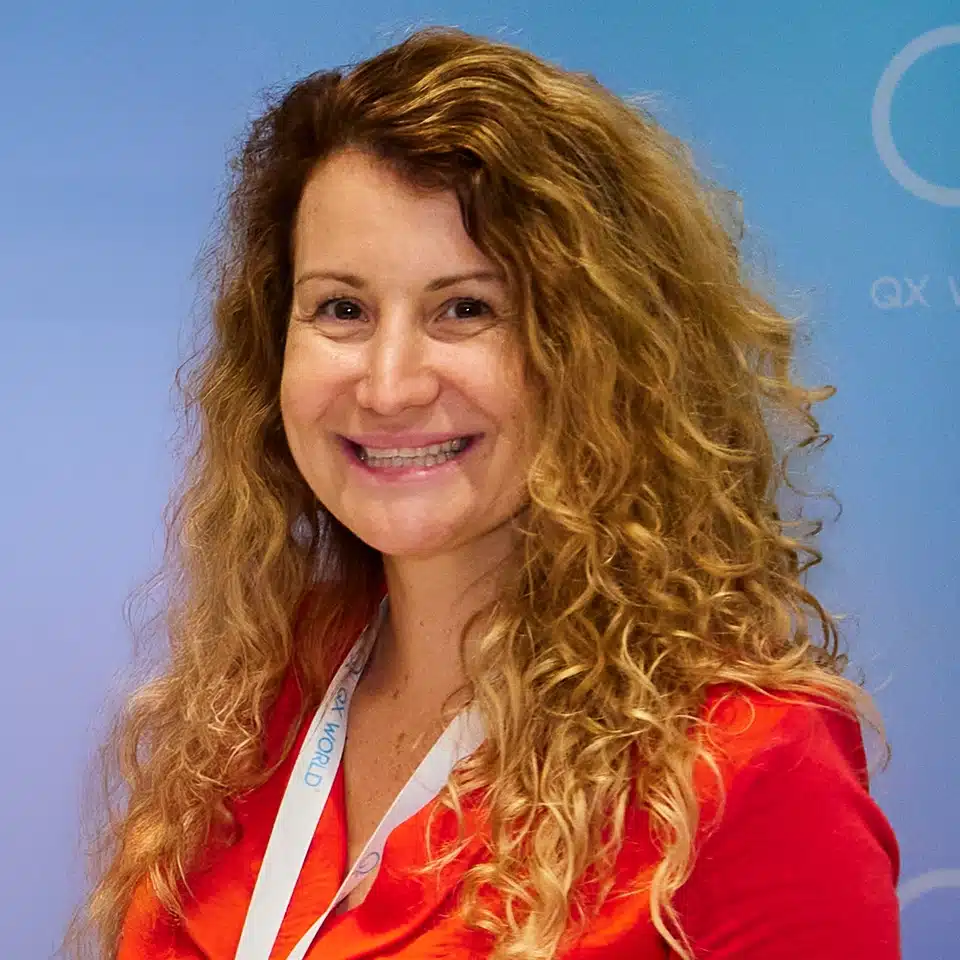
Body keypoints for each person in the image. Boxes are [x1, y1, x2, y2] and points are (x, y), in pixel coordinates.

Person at [67, 25, 901, 960]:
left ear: (596, 355)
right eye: (342, 308)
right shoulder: (258, 701)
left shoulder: (739, 764)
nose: (389, 385)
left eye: (466, 308)